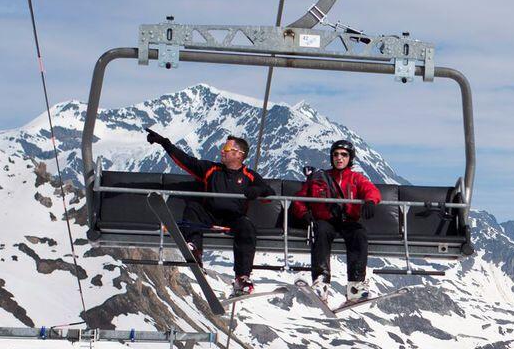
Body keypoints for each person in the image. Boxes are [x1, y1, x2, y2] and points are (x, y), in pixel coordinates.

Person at [147, 129, 274, 297]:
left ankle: (242, 277)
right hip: (209, 216)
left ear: (238, 154)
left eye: (226, 149)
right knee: (194, 207)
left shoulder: (249, 176)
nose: (222, 151)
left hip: (233, 219)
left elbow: (269, 193)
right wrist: (165, 143)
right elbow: (186, 161)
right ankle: (194, 249)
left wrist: (257, 191)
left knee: (247, 226)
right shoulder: (211, 169)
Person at [292, 139, 381, 305]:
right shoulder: (319, 178)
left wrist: (370, 201)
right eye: (336, 154)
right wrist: (304, 214)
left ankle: (355, 285)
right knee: (321, 231)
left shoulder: (356, 178)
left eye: (344, 155)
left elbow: (371, 190)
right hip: (326, 220)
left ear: (350, 158)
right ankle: (321, 282)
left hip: (348, 220)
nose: (339, 158)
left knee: (358, 233)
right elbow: (299, 199)